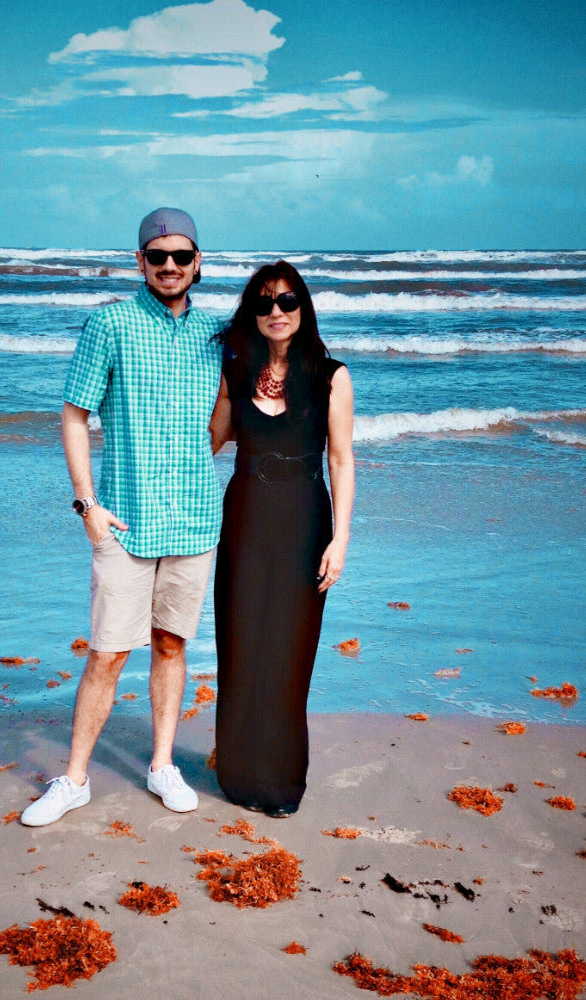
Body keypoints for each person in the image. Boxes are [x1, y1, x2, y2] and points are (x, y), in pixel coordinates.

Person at [21, 208, 223, 827]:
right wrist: (88, 505)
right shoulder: (108, 324)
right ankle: (75, 779)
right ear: (140, 261)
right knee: (108, 653)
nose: (169, 266)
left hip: (194, 520)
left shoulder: (216, 333)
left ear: (197, 264)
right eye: (157, 256)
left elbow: (226, 418)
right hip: (125, 522)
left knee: (170, 645)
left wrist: (192, 460)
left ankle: (162, 765)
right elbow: (75, 415)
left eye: (181, 256)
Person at [209, 260, 354, 818]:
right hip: (244, 518)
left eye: (287, 301)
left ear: (303, 307)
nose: (276, 312)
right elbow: (212, 442)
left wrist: (341, 538)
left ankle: (281, 782)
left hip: (304, 523)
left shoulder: (331, 375)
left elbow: (341, 460)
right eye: (265, 302)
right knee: (241, 645)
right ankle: (238, 774)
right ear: (253, 310)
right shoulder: (237, 370)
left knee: (290, 652)